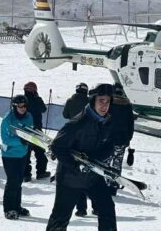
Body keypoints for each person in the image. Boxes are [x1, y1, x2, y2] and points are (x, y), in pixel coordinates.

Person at [47, 83, 118, 231]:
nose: (104, 105)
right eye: (101, 101)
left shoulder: (107, 122)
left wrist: (97, 160)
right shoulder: (78, 123)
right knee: (61, 216)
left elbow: (109, 145)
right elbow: (57, 146)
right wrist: (75, 165)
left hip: (92, 176)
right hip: (69, 177)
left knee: (107, 208)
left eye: (107, 101)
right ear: (93, 101)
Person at [0, 94, 34, 220]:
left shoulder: (29, 116)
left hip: (22, 154)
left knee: (18, 181)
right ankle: (9, 208)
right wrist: (21, 141)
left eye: (24, 105)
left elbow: (30, 131)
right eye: (20, 106)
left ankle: (17, 206)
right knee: (13, 181)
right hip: (9, 155)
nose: (23, 108)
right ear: (14, 106)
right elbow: (5, 139)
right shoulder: (8, 119)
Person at [62, 82, 93, 217]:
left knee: (77, 173)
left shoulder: (70, 100)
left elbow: (65, 115)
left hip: (72, 140)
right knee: (92, 174)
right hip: (88, 140)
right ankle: (97, 206)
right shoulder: (90, 102)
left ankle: (81, 208)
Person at [23, 81, 50, 181]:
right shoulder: (37, 100)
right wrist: (37, 97)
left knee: (26, 153)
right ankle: (41, 172)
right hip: (36, 130)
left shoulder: (22, 100)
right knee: (40, 152)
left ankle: (26, 174)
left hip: (24, 130)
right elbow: (43, 109)